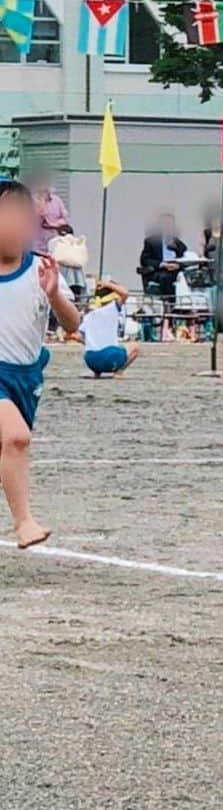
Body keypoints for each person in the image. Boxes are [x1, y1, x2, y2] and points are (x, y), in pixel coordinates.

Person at [0, 180, 81, 548]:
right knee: (16, 438)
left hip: (26, 377)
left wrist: (54, 297)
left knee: (10, 446)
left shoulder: (42, 271)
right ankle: (24, 522)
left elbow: (72, 325)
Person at [78, 278, 139, 377]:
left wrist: (91, 343)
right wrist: (108, 284)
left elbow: (78, 336)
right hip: (110, 357)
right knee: (135, 347)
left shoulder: (88, 315)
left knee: (94, 350)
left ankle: (97, 373)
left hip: (91, 360)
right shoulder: (112, 308)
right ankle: (118, 372)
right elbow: (125, 293)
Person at [139, 213, 187, 299]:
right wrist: (163, 264)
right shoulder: (151, 241)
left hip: (175, 270)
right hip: (158, 270)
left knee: (187, 278)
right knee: (166, 277)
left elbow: (184, 259)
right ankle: (169, 303)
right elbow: (145, 260)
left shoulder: (179, 244)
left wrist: (178, 265)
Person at [29, 175, 71, 256]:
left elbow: (65, 218)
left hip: (53, 244)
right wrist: (40, 207)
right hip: (35, 245)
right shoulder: (31, 200)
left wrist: (55, 224)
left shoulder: (57, 200)